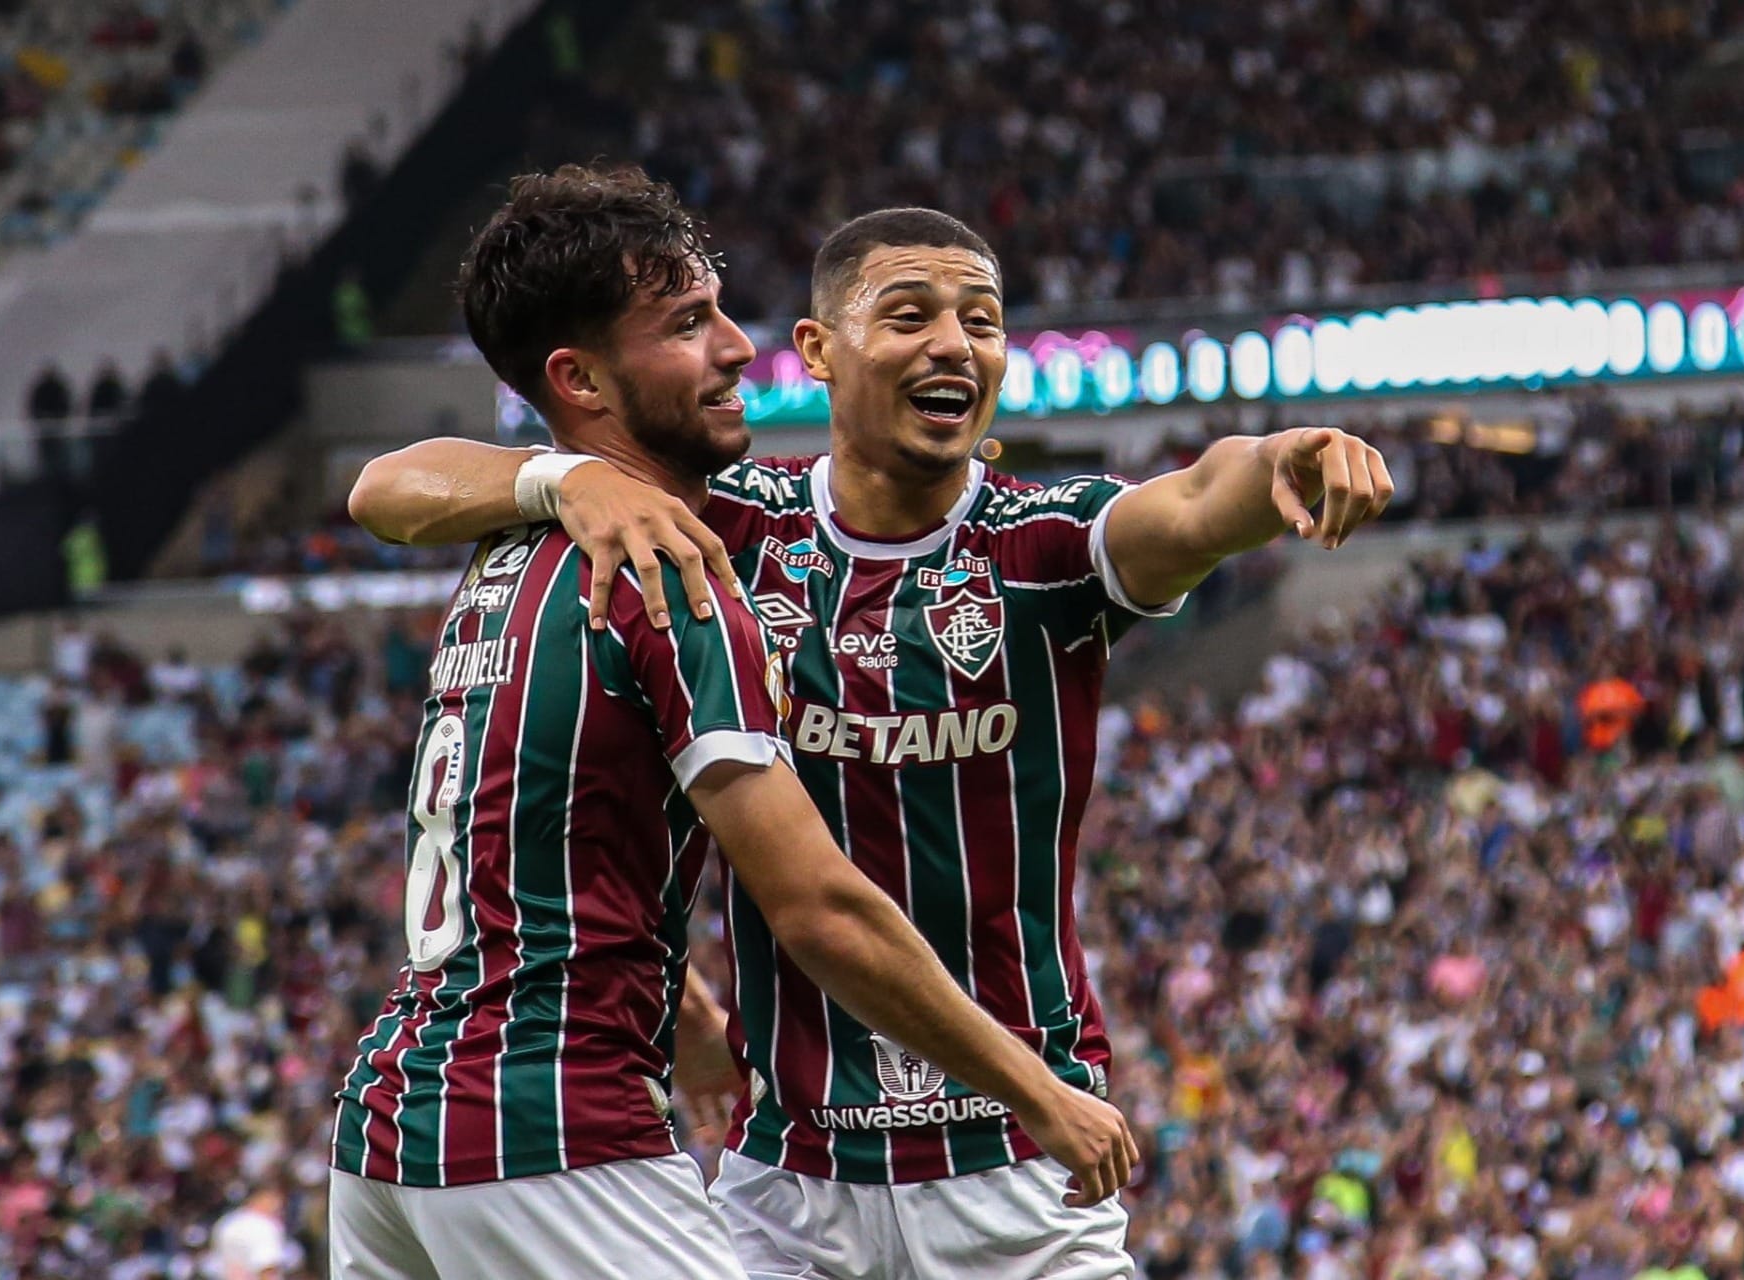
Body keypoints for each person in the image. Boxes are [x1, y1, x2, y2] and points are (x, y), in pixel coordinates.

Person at [348, 205, 1389, 1278]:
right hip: (791, 1180)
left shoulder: (1045, 546)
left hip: (1015, 1168)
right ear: (818, 351)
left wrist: (1278, 458)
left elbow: (1193, 501)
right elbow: (388, 484)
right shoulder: (729, 529)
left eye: (981, 321)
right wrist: (568, 475)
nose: (954, 343)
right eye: (910, 314)